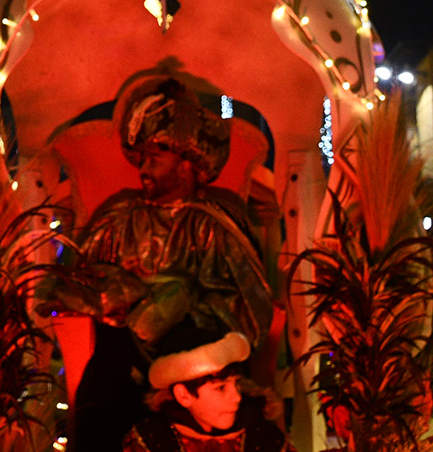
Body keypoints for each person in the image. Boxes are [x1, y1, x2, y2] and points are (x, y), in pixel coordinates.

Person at [60, 70, 274, 452]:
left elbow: (253, 310)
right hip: (123, 367)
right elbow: (67, 287)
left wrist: (186, 306)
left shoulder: (219, 223)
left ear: (187, 162)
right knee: (102, 404)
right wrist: (118, 295)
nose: (143, 169)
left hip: (202, 373)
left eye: (154, 159)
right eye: (140, 158)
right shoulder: (119, 217)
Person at [122, 331, 291, 452]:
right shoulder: (151, 441)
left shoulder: (265, 440)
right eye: (221, 387)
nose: (236, 397)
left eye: (237, 384)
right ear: (184, 396)